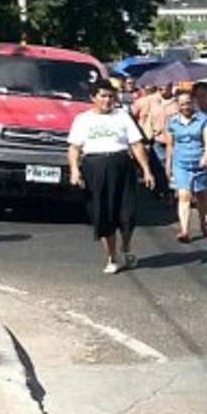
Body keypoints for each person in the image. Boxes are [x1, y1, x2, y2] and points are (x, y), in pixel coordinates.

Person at [67, 78, 156, 273]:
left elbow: (136, 144)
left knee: (127, 214)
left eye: (111, 96)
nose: (108, 100)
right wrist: (74, 170)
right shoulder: (83, 119)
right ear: (93, 98)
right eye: (103, 96)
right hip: (95, 167)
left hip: (121, 166)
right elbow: (74, 148)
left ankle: (126, 245)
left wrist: (146, 170)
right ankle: (112, 257)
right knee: (103, 214)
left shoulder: (122, 116)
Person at [164, 89, 207, 243]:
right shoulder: (172, 121)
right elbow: (170, 145)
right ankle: (184, 230)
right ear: (177, 105)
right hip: (181, 162)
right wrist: (168, 164)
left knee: (201, 195)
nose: (185, 106)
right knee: (184, 195)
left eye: (188, 103)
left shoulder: (202, 119)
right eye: (182, 104)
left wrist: (206, 156)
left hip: (199, 161)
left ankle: (202, 224)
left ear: (193, 103)